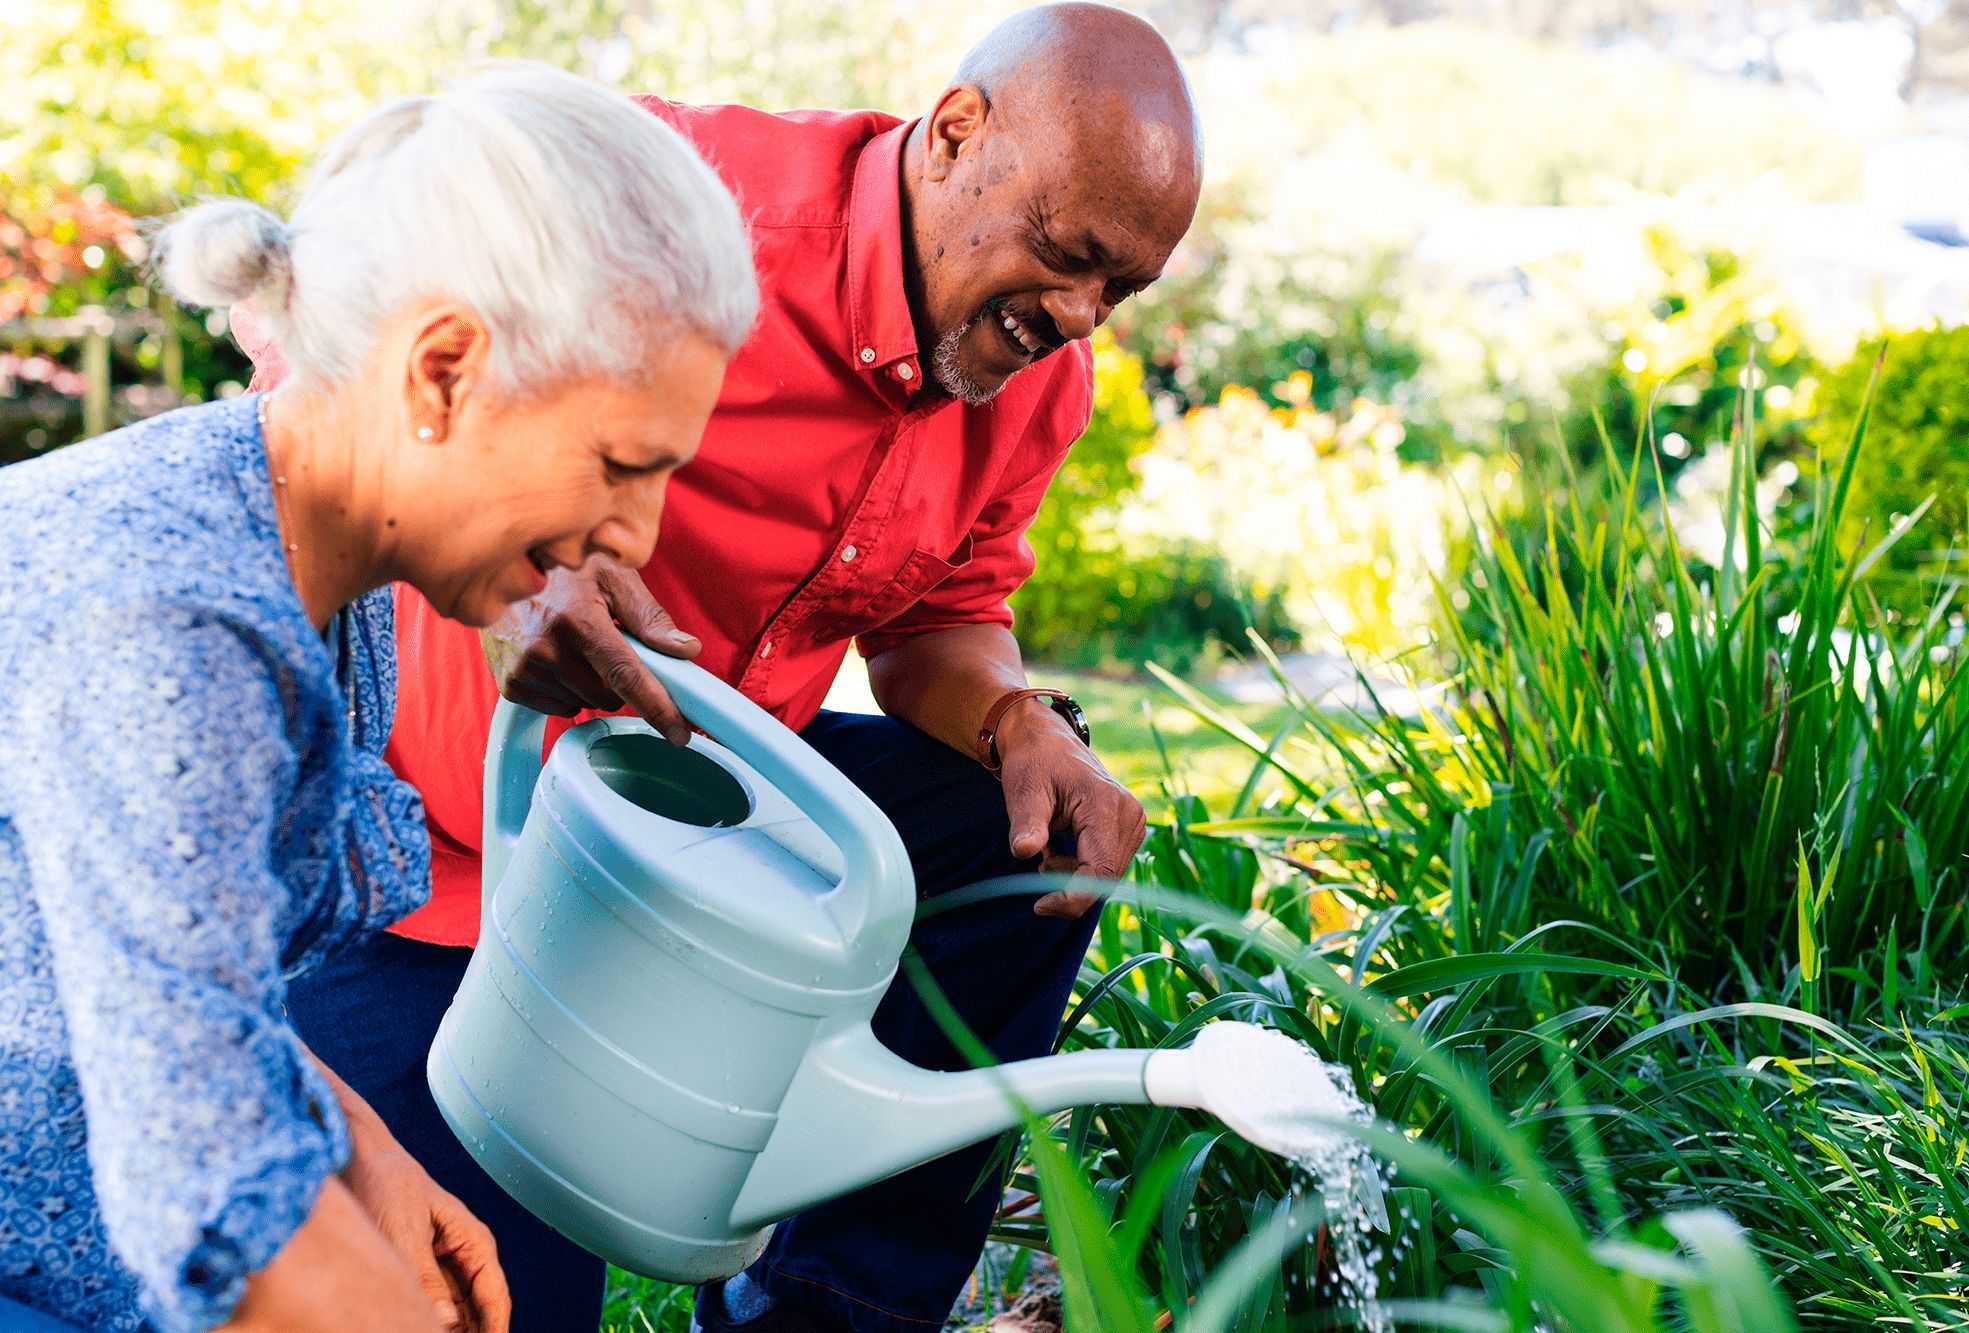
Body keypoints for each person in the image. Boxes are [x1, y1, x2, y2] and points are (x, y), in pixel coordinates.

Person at [241, 5, 1204, 1329]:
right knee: (487, 1302)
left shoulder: (1037, 379)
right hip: (439, 856)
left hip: (703, 826)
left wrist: (1015, 717)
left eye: (1122, 289)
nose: (1082, 314)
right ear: (955, 133)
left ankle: (823, 1311)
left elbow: (938, 615)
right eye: (1066, 255)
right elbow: (333, 338)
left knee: (1009, 829)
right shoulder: (662, 204)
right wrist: (512, 573)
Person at [0, 62, 755, 1333]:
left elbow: (149, 961)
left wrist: (361, 1151)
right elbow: (217, 1202)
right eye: (623, 465)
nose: (634, 536)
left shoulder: (317, 565)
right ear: (443, 372)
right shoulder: (174, 622)